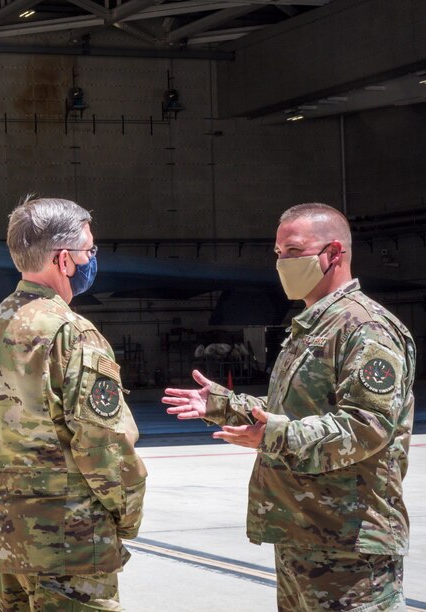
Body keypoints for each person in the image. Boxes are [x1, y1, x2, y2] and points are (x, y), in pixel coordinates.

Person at [163, 202, 416, 611]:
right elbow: (292, 408)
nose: (282, 263)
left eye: (293, 252)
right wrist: (225, 405)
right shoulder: (313, 326)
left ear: (334, 253)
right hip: (304, 533)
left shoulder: (364, 327)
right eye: (278, 254)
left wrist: (274, 435)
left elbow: (366, 427)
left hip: (350, 543)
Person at [0, 196, 147, 611]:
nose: (92, 259)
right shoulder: (71, 332)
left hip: (7, 532)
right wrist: (127, 516)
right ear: (64, 260)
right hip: (69, 539)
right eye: (89, 251)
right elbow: (105, 444)